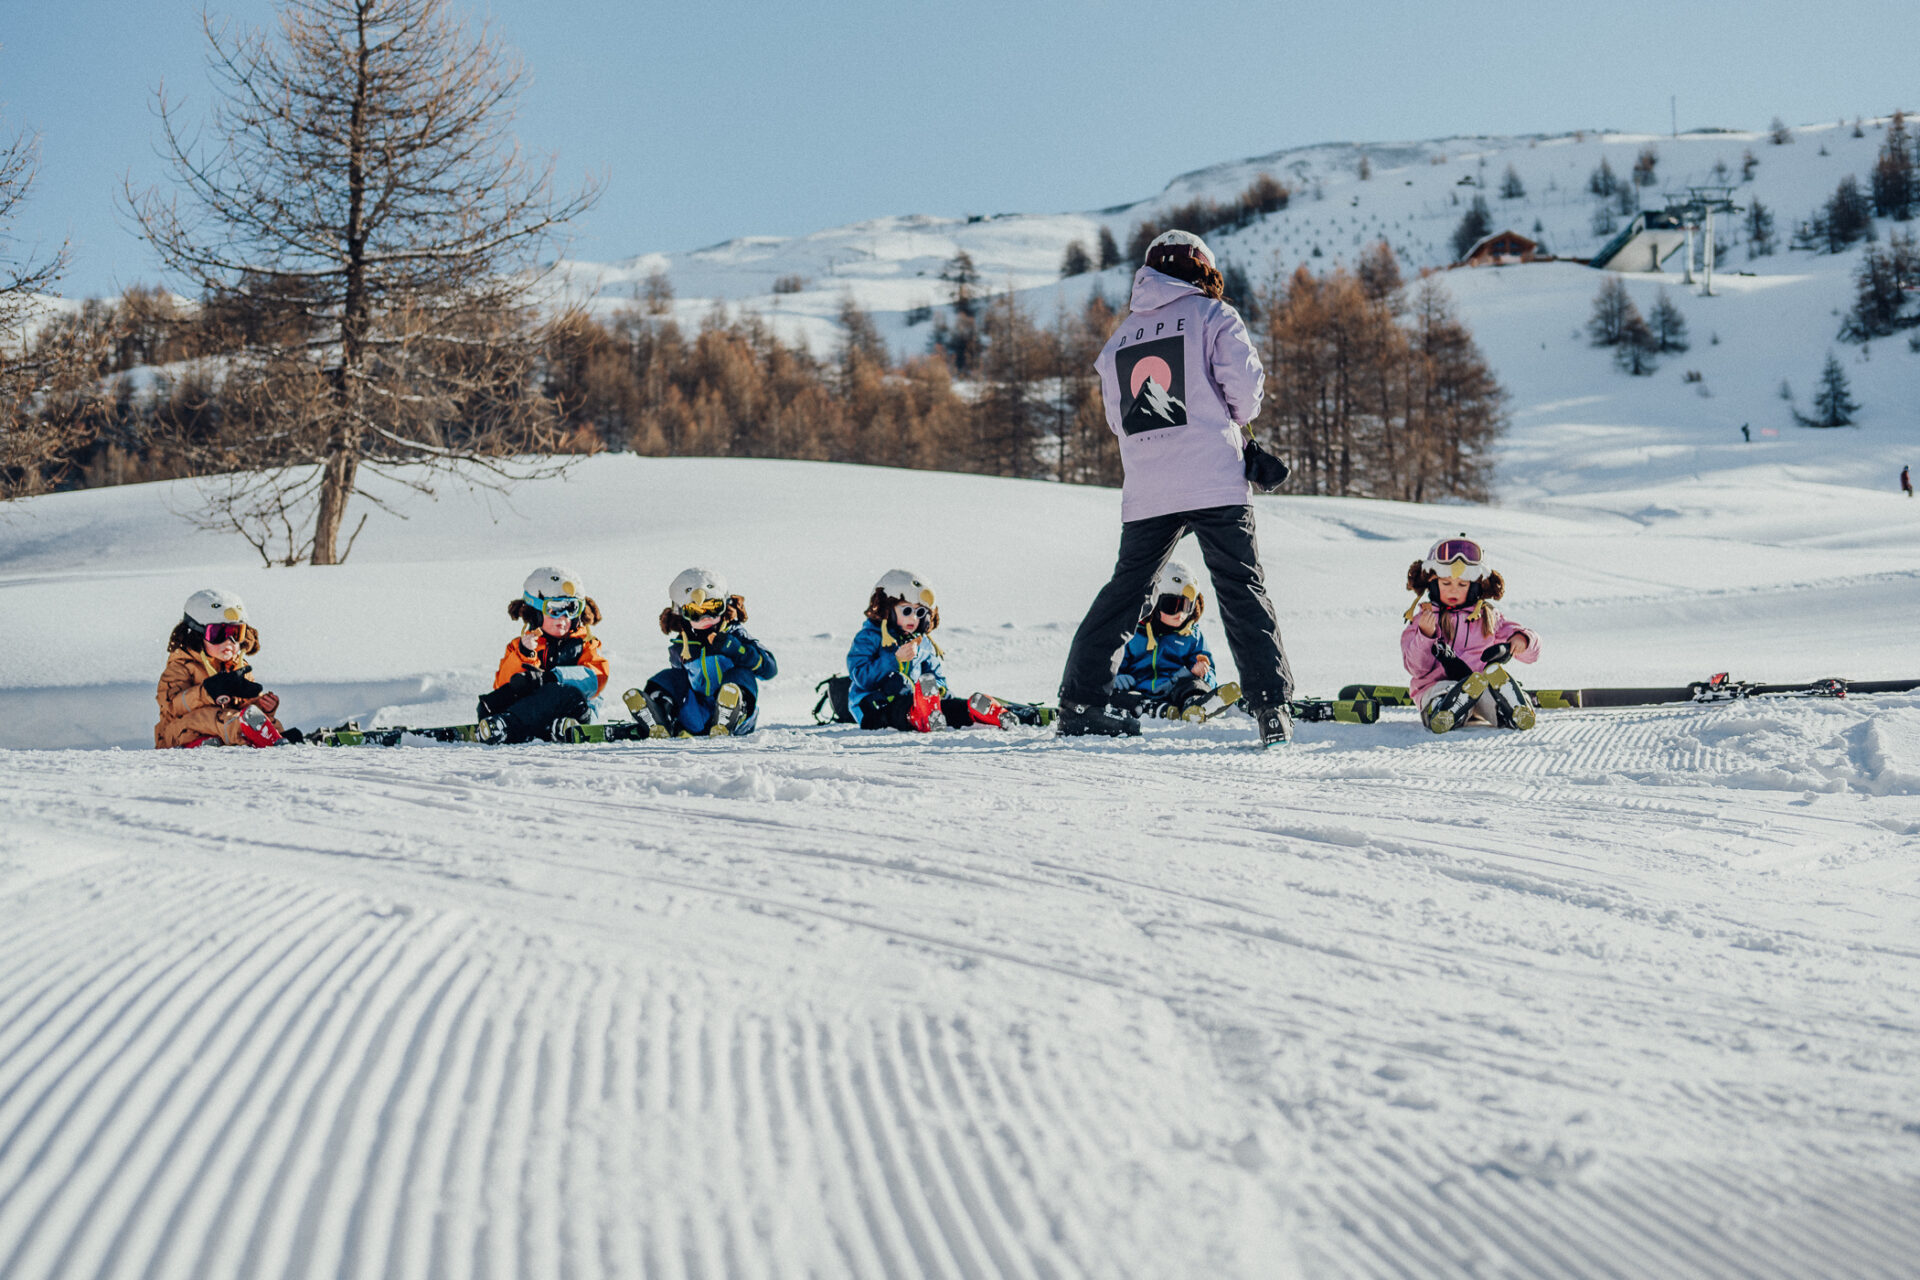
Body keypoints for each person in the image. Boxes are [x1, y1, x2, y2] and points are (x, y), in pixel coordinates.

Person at [1057, 229, 1295, 745]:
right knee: (1239, 587)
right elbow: (1247, 399)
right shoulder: (1215, 316)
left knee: (1126, 592)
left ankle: (1079, 702)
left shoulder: (1118, 340)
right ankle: (1270, 706)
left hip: (1148, 490)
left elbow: (1118, 423)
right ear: (1203, 268)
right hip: (1214, 479)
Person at [1402, 536, 1540, 734]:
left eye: (1462, 585)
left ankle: (1514, 707)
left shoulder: (1488, 617)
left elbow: (1532, 653)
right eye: (1446, 583)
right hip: (1437, 685)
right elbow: (1416, 668)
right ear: (1433, 584)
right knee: (1441, 692)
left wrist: (1522, 640)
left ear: (1475, 586)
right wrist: (1425, 635)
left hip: (1480, 684)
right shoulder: (1423, 620)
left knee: (1490, 696)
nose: (1453, 590)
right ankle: (1443, 709)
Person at [847, 570, 1007, 732]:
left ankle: (975, 714)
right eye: (906, 610)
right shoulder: (869, 637)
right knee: (898, 707)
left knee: (946, 707)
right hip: (875, 706)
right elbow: (861, 677)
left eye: (920, 612)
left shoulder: (922, 643)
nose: (914, 618)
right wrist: (894, 660)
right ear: (887, 609)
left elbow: (936, 676)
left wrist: (938, 689)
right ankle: (919, 716)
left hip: (918, 701)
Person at [631, 567, 777, 737]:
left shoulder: (735, 634)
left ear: (724, 606)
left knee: (740, 674)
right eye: (696, 612)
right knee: (671, 677)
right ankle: (660, 715)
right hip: (697, 714)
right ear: (683, 615)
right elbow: (681, 686)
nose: (706, 617)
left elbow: (770, 669)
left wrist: (737, 650)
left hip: (737, 723)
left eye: (713, 608)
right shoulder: (682, 645)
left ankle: (732, 711)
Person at [477, 566, 610, 742]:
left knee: (556, 692)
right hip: (535, 709)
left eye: (571, 609)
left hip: (577, 708)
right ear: (536, 613)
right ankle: (518, 724)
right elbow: (502, 683)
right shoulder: (521, 645)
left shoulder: (586, 644)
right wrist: (524, 656)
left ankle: (508, 727)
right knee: (488, 704)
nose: (563, 618)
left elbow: (596, 677)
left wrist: (551, 677)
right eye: (555, 610)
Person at [155, 588, 291, 748]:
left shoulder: (238, 665)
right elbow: (171, 706)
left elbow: (245, 709)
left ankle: (283, 740)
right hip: (176, 735)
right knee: (211, 716)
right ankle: (252, 741)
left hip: (223, 730)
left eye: (236, 633)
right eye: (218, 634)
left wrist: (263, 706)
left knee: (239, 717)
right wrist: (206, 693)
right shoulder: (181, 666)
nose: (229, 642)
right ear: (197, 635)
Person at [1110, 560, 1239, 721]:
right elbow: (1115, 659)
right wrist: (1118, 676)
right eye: (1172, 605)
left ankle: (1196, 705)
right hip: (1138, 690)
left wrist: (1202, 673)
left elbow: (1209, 671)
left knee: (1192, 685)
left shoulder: (1191, 636)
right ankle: (1156, 709)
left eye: (1187, 606)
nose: (1180, 614)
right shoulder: (1133, 633)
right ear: (1154, 603)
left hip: (1176, 690)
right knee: (1115, 696)